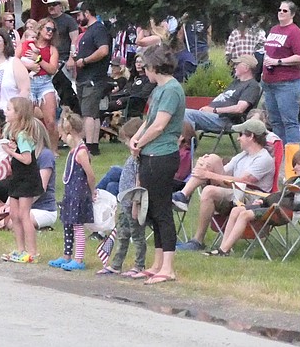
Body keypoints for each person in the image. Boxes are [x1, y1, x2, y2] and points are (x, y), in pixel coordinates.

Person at [173, 118, 275, 251]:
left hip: (251, 197)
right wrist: (205, 166)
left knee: (209, 189)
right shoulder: (243, 155)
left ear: (251, 137)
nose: (238, 139)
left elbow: (244, 181)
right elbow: (223, 172)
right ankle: (183, 196)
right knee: (212, 160)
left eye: (241, 135)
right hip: (235, 192)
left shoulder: (264, 159)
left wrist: (209, 175)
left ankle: (197, 239)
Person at [129, 44, 185, 284]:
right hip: (149, 155)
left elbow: (160, 125)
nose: (144, 70)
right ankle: (157, 262)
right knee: (152, 210)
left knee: (162, 211)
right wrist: (136, 136)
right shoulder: (158, 90)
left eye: (146, 66)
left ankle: (168, 267)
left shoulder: (172, 89)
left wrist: (140, 143)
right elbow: (149, 120)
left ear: (154, 66)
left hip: (162, 155)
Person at [204, 150, 300, 257]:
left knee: (244, 214)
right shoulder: (293, 180)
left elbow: (295, 204)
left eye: (298, 164)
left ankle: (224, 250)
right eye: (295, 165)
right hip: (273, 206)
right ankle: (223, 248)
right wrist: (264, 201)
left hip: (283, 212)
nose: (294, 168)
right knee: (236, 210)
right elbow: (279, 196)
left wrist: (269, 202)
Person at [97, 118, 148, 277]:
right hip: (124, 203)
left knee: (137, 236)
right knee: (122, 234)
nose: (126, 143)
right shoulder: (132, 158)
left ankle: (139, 265)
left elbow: (137, 183)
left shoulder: (139, 160)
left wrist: (135, 203)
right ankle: (116, 264)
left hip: (133, 203)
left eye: (127, 140)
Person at [0, 96, 46, 264]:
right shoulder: (11, 132)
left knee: (24, 214)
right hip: (16, 177)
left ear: (19, 113)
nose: (6, 112)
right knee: (14, 214)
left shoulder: (23, 135)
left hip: (27, 177)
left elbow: (27, 159)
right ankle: (20, 249)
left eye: (9, 109)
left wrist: (11, 152)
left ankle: (33, 252)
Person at [49, 109, 96, 271]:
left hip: (79, 194)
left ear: (70, 132)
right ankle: (66, 255)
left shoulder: (81, 152)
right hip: (70, 193)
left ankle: (79, 258)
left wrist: (93, 191)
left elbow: (90, 174)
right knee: (67, 224)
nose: (61, 137)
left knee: (77, 226)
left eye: (62, 133)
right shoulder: (73, 151)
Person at [68, 2, 111, 155]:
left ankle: (90, 146)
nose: (78, 19)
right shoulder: (89, 31)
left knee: (88, 113)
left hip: (93, 77)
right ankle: (93, 145)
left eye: (79, 15)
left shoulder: (98, 29)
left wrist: (85, 60)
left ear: (87, 13)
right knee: (93, 113)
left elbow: (103, 50)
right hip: (85, 77)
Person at [262, 0, 300, 143]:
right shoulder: (274, 29)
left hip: (288, 83)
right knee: (275, 121)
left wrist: (279, 62)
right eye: (279, 10)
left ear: (292, 14)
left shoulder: (294, 32)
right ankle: (279, 155)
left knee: (289, 121)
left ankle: (292, 157)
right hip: (269, 82)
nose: (281, 13)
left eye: (285, 11)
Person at [184, 55, 261, 132]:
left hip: (224, 120)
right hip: (213, 115)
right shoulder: (236, 82)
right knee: (180, 114)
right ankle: (181, 141)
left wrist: (214, 110)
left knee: (186, 113)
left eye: (237, 64)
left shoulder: (252, 86)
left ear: (246, 68)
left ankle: (188, 142)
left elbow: (239, 109)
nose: (234, 67)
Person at [20, 17, 61, 150]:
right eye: (48, 29)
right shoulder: (28, 43)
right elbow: (15, 60)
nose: (50, 32)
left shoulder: (52, 49)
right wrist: (29, 66)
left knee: (50, 121)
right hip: (29, 81)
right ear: (40, 28)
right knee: (26, 120)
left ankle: (53, 150)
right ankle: (27, 149)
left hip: (45, 82)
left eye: (52, 30)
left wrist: (38, 59)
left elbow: (52, 69)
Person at [45, 0, 80, 112]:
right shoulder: (46, 22)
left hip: (64, 60)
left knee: (65, 91)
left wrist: (71, 58)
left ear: (60, 5)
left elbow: (75, 40)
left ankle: (69, 115)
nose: (51, 7)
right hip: (49, 61)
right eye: (49, 5)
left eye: (54, 4)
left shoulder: (69, 20)